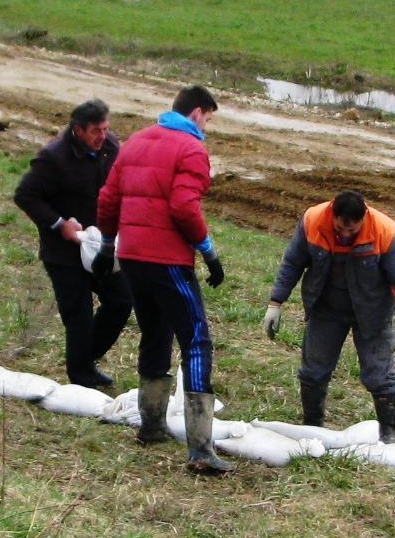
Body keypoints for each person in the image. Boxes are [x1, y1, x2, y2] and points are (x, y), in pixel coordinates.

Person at [96, 84, 232, 475]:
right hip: (168, 259)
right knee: (196, 341)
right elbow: (184, 206)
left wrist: (108, 244)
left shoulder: (136, 141)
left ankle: (152, 425)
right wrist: (208, 251)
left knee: (154, 332)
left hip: (132, 256)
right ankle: (201, 448)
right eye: (208, 118)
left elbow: (108, 198)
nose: (207, 126)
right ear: (196, 113)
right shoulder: (191, 149)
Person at [262, 188, 395, 443]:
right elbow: (293, 262)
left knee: (379, 375)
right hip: (327, 308)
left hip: (372, 313)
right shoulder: (312, 220)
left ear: (364, 218)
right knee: (313, 371)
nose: (345, 235)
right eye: (339, 229)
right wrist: (275, 302)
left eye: (352, 231)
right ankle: (312, 426)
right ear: (331, 213)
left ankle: (390, 433)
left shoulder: (387, 232)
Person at [12, 98, 133, 389]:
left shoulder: (109, 148)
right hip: (63, 252)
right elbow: (25, 195)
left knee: (121, 300)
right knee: (78, 315)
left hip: (99, 246)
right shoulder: (53, 157)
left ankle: (82, 358)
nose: (102, 136)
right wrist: (59, 223)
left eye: (105, 129)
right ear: (78, 130)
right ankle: (80, 378)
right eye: (95, 131)